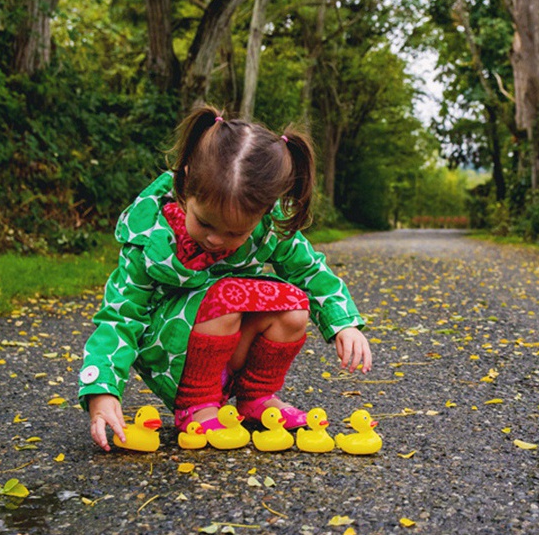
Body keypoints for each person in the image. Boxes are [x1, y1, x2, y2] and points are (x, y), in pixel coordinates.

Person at [78, 105, 372, 451]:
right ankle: (196, 404)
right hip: (174, 353)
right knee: (226, 299)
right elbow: (120, 315)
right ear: (185, 186)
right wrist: (102, 390)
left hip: (226, 343)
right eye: (204, 223)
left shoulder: (268, 227)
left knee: (294, 309)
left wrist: (343, 323)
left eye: (235, 232)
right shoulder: (151, 241)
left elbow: (310, 270)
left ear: (264, 212)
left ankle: (256, 397)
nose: (216, 240)